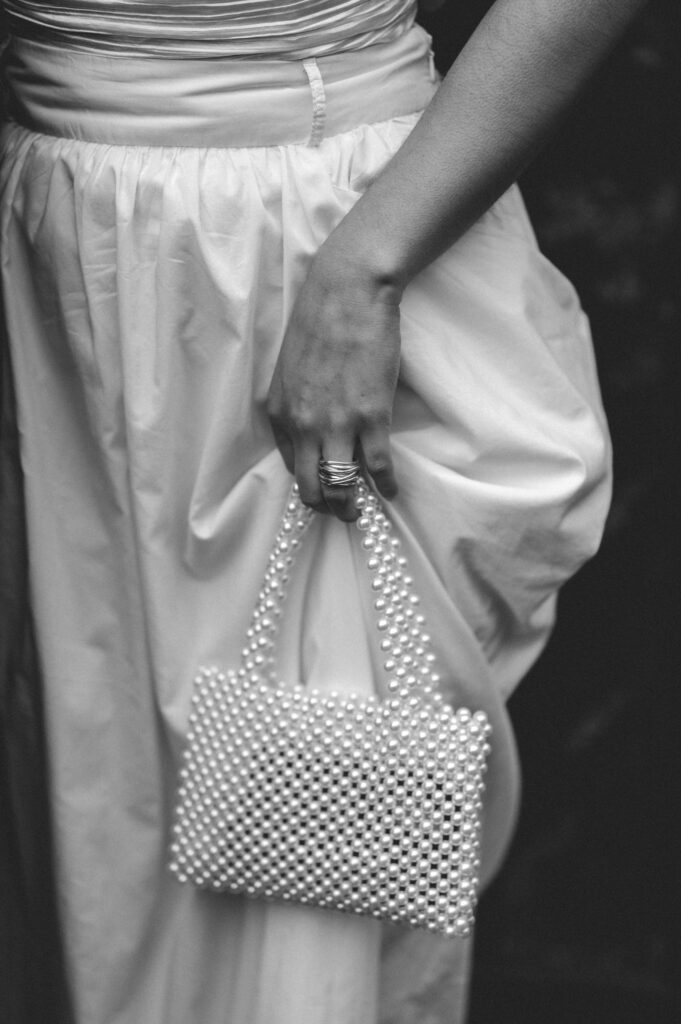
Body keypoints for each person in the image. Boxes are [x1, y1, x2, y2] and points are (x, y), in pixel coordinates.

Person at [0, 1, 646, 1022]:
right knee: (91, 816)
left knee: (301, 807)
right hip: (58, 249)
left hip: (308, 236)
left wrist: (365, 265)